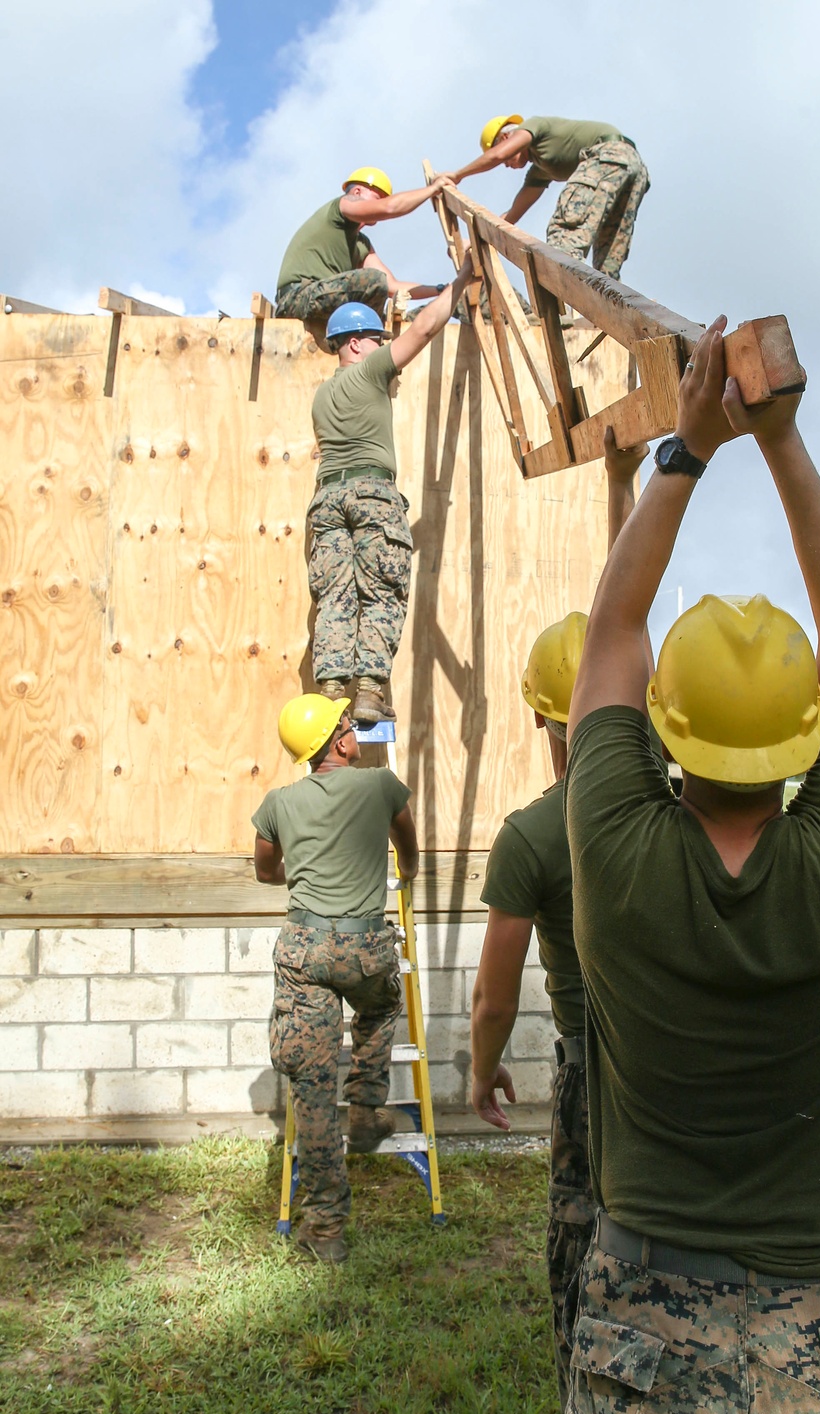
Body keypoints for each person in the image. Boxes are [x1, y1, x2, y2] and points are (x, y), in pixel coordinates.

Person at [551, 319, 820, 1414]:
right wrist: (784, 444)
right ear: (808, 733)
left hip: (646, 1308)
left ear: (664, 723)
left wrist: (688, 450)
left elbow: (608, 632)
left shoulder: (608, 845)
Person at [470, 433, 648, 1411]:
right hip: (675, 1061)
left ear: (544, 719)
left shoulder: (531, 836)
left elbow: (496, 991)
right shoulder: (683, 810)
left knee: (582, 1233)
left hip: (590, 1065)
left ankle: (593, 1402)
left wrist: (477, 1061)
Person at [253, 693, 419, 1263]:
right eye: (349, 725)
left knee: (312, 1092)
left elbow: (266, 870)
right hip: (366, 945)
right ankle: (369, 1103)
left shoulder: (278, 802)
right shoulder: (379, 786)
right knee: (380, 1002)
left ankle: (325, 1230)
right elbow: (407, 844)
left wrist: (302, 867)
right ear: (341, 742)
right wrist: (410, 867)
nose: (355, 732)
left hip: (304, 949)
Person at [308, 251, 474, 724]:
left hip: (326, 501)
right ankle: (367, 692)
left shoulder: (322, 396)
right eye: (377, 340)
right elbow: (423, 330)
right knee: (381, 592)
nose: (384, 349)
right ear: (357, 344)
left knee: (336, 596)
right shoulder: (370, 369)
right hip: (371, 495)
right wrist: (460, 281)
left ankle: (331, 692)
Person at [449, 115, 649, 280]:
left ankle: (563, 305)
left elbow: (496, 156)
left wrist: (457, 175)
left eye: (502, 151)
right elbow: (511, 217)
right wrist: (475, 241)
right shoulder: (540, 170)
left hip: (608, 155)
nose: (506, 164)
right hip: (633, 167)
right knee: (607, 257)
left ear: (505, 138)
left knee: (564, 236)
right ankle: (610, 312)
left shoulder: (533, 126)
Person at [275, 166, 455, 347]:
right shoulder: (342, 205)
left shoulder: (361, 244)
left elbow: (392, 286)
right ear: (357, 191)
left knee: (392, 301)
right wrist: (432, 190)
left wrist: (442, 290)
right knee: (373, 281)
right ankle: (372, 346)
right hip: (297, 297)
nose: (382, 202)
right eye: (378, 197)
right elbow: (390, 208)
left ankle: (374, 343)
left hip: (326, 301)